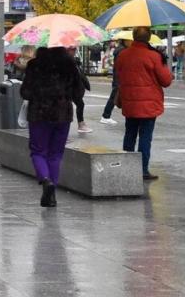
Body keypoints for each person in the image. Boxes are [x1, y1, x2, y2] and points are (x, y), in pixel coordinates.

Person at [20, 47, 86, 207]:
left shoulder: (35, 65)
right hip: (62, 114)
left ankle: (45, 180)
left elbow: (25, 92)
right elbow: (79, 93)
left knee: (38, 151)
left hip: (39, 114)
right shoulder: (69, 64)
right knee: (56, 154)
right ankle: (52, 195)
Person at [114, 26, 173, 181]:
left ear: (133, 37)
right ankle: (143, 169)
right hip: (149, 103)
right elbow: (166, 81)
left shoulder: (123, 55)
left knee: (130, 134)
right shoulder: (153, 56)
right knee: (145, 137)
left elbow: (119, 75)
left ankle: (127, 166)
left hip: (130, 101)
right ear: (149, 38)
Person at [101, 39, 131, 125]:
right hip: (119, 77)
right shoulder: (122, 50)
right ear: (125, 41)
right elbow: (121, 65)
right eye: (130, 40)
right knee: (114, 96)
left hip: (119, 76)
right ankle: (105, 116)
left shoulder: (121, 49)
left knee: (122, 96)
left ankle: (129, 116)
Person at [66, 48, 93, 134]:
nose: (74, 51)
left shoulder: (72, 61)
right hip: (71, 89)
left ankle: (81, 124)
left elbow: (80, 75)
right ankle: (81, 125)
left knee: (80, 104)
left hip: (74, 89)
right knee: (78, 105)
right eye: (72, 49)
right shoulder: (66, 62)